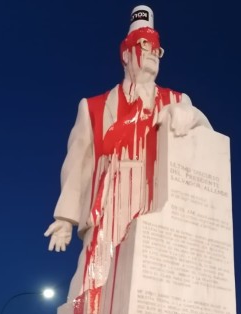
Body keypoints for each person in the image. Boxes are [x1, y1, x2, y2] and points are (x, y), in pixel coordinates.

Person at [44, 4, 212, 274]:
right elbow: (78, 163)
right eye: (145, 45)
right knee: (96, 278)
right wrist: (65, 217)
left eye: (157, 49)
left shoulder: (178, 101)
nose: (153, 54)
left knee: (154, 275)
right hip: (109, 200)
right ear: (125, 53)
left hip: (154, 197)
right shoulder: (94, 106)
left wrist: (193, 115)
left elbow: (208, 144)